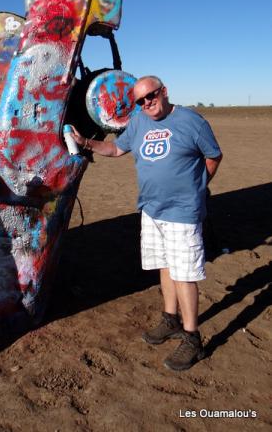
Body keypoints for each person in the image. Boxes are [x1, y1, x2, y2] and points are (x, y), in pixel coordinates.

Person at [71, 76, 222, 371]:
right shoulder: (139, 122)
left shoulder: (192, 121)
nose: (146, 103)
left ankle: (192, 339)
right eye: (140, 101)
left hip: (182, 211)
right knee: (165, 266)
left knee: (184, 273)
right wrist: (85, 142)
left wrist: (198, 186)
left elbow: (214, 156)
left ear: (164, 91)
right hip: (151, 210)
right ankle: (170, 318)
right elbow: (116, 149)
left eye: (150, 96)